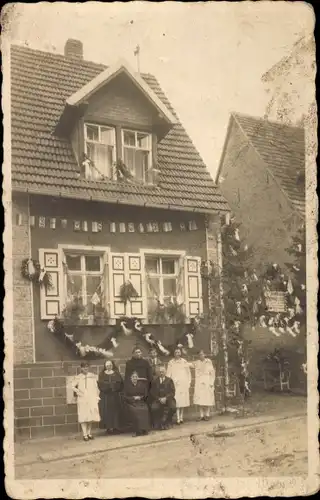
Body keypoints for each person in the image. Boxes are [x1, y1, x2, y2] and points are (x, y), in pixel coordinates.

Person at [71, 361, 100, 441]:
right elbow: (72, 386)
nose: (85, 368)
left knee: (90, 416)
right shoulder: (78, 377)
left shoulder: (92, 376)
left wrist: (96, 396)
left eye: (87, 367)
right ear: (81, 368)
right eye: (84, 367)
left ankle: (89, 433)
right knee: (83, 416)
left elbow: (96, 387)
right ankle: (84, 434)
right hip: (83, 399)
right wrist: (79, 392)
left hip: (91, 398)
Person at [98, 360, 124, 434]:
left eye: (110, 365)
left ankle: (116, 427)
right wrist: (108, 387)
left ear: (112, 365)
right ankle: (108, 428)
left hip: (115, 396)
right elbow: (100, 384)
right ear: (105, 366)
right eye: (107, 365)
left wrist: (115, 387)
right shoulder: (102, 374)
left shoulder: (116, 374)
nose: (108, 367)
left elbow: (120, 383)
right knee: (107, 412)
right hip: (106, 396)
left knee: (115, 412)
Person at [166, 348, 191, 424]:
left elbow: (188, 373)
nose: (177, 353)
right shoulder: (171, 362)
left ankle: (181, 417)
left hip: (183, 383)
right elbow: (168, 374)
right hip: (175, 384)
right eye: (176, 352)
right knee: (177, 401)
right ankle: (177, 418)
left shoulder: (184, 361)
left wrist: (188, 382)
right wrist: (169, 383)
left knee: (182, 401)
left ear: (180, 353)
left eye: (178, 352)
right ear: (174, 354)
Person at [124, 371, 150, 436]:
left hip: (141, 402)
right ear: (130, 378)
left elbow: (145, 395)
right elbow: (125, 396)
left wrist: (140, 397)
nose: (135, 378)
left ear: (138, 378)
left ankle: (144, 430)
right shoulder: (127, 386)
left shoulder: (142, 385)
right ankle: (138, 431)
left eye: (136, 377)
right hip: (131, 403)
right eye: (133, 377)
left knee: (145, 410)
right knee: (135, 411)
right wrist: (133, 398)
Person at [150, 365, 176, 430]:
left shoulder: (169, 380)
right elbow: (152, 392)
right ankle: (158, 422)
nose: (161, 373)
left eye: (163, 372)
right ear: (158, 372)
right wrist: (159, 399)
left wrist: (166, 398)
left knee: (173, 408)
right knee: (154, 408)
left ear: (165, 372)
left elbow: (172, 392)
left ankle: (168, 420)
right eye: (160, 372)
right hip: (158, 399)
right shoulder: (155, 381)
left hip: (168, 399)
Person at [192, 350, 216, 421]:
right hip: (199, 382)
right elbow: (189, 364)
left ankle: (207, 414)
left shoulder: (208, 362)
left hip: (207, 381)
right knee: (200, 399)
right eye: (199, 355)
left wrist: (211, 383)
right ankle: (201, 415)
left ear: (204, 354)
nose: (201, 356)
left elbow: (212, 373)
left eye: (202, 354)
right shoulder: (197, 362)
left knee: (207, 398)